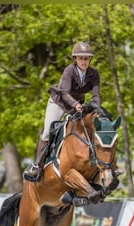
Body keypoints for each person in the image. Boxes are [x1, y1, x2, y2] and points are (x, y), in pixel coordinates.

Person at [23, 41, 101, 182]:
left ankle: (96, 163)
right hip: (59, 103)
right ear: (75, 59)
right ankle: (37, 166)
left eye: (87, 58)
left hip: (76, 105)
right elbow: (64, 93)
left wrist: (97, 109)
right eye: (81, 58)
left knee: (87, 129)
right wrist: (76, 104)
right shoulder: (69, 70)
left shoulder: (94, 74)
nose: (84, 61)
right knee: (47, 132)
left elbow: (96, 95)